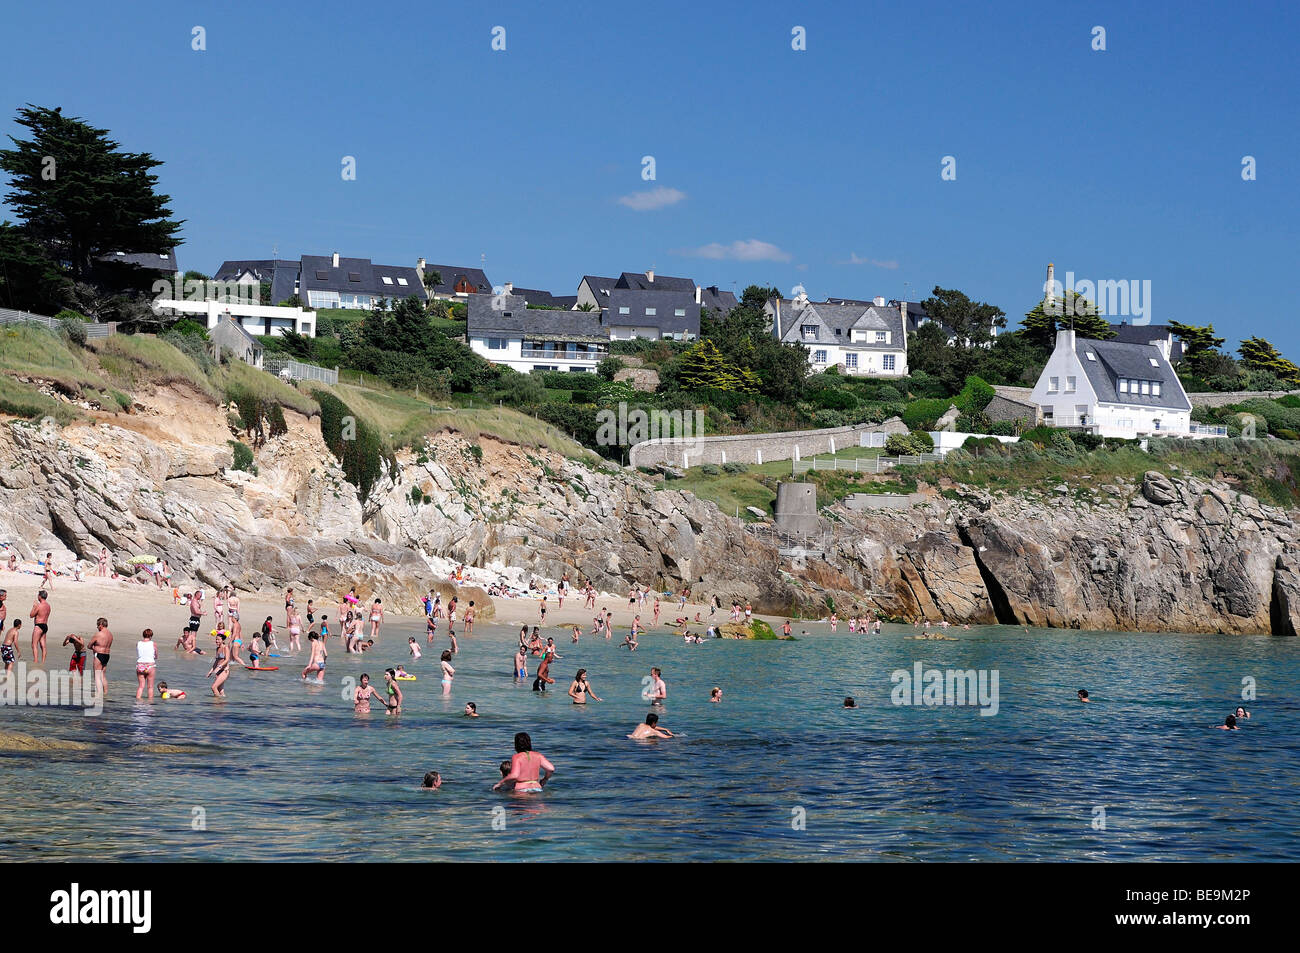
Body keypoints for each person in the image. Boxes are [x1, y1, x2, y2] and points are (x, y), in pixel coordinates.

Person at [88, 617, 113, 698]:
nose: (97, 627)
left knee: (97, 675)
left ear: (101, 625)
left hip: (99, 654)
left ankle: (99, 694)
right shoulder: (110, 635)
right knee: (102, 675)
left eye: (97, 626)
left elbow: (89, 645)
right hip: (107, 655)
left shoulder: (99, 634)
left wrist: (93, 648)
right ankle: (105, 693)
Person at [28, 590, 51, 664]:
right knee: (43, 645)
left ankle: (35, 661)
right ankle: (43, 661)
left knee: (34, 644)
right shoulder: (48, 606)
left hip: (38, 625)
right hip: (45, 625)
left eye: (38, 595)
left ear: (40, 596)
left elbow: (31, 615)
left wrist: (34, 607)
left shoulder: (39, 605)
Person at [135, 628, 158, 700]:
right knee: (150, 687)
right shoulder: (153, 643)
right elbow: (156, 655)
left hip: (140, 665)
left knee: (141, 686)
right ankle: (150, 703)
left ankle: (138, 701)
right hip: (150, 666)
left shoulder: (138, 643)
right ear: (151, 636)